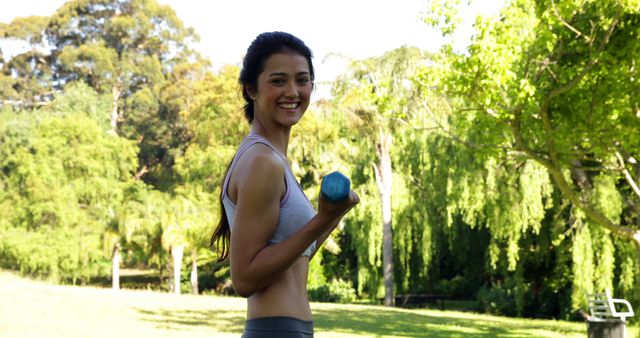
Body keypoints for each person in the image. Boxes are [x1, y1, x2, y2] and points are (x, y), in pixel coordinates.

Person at [210, 31, 360, 338]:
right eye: (278, 81)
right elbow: (246, 278)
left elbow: (293, 259)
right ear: (251, 88)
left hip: (288, 329)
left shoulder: (270, 158)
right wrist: (321, 218)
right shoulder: (263, 161)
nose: (293, 91)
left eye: (302, 80)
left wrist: (332, 215)